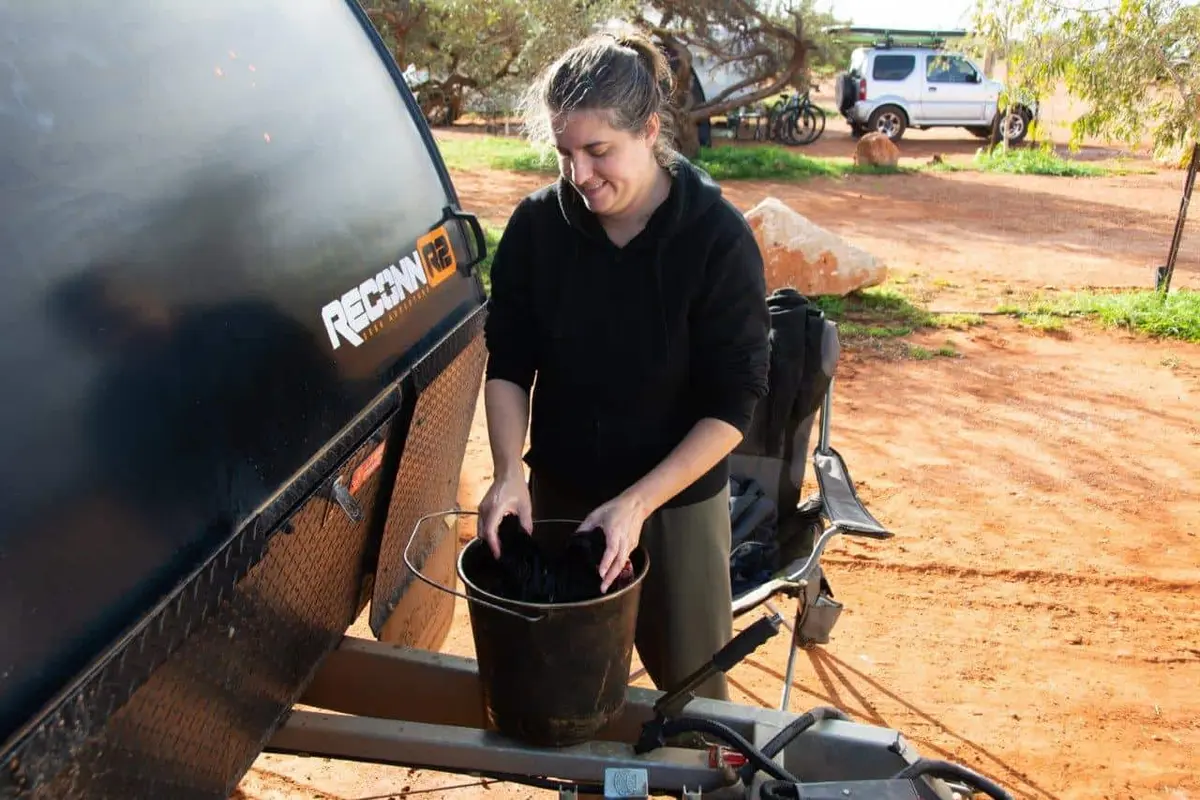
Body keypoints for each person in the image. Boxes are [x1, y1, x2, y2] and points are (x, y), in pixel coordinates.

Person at [476, 32, 770, 701]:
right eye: (565, 153)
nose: (579, 174)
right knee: (567, 694)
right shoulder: (537, 228)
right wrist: (505, 475)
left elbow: (732, 405)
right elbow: (509, 362)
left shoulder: (716, 239)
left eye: (598, 151)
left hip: (675, 508)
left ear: (650, 131)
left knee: (695, 707)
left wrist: (637, 504)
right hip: (560, 499)